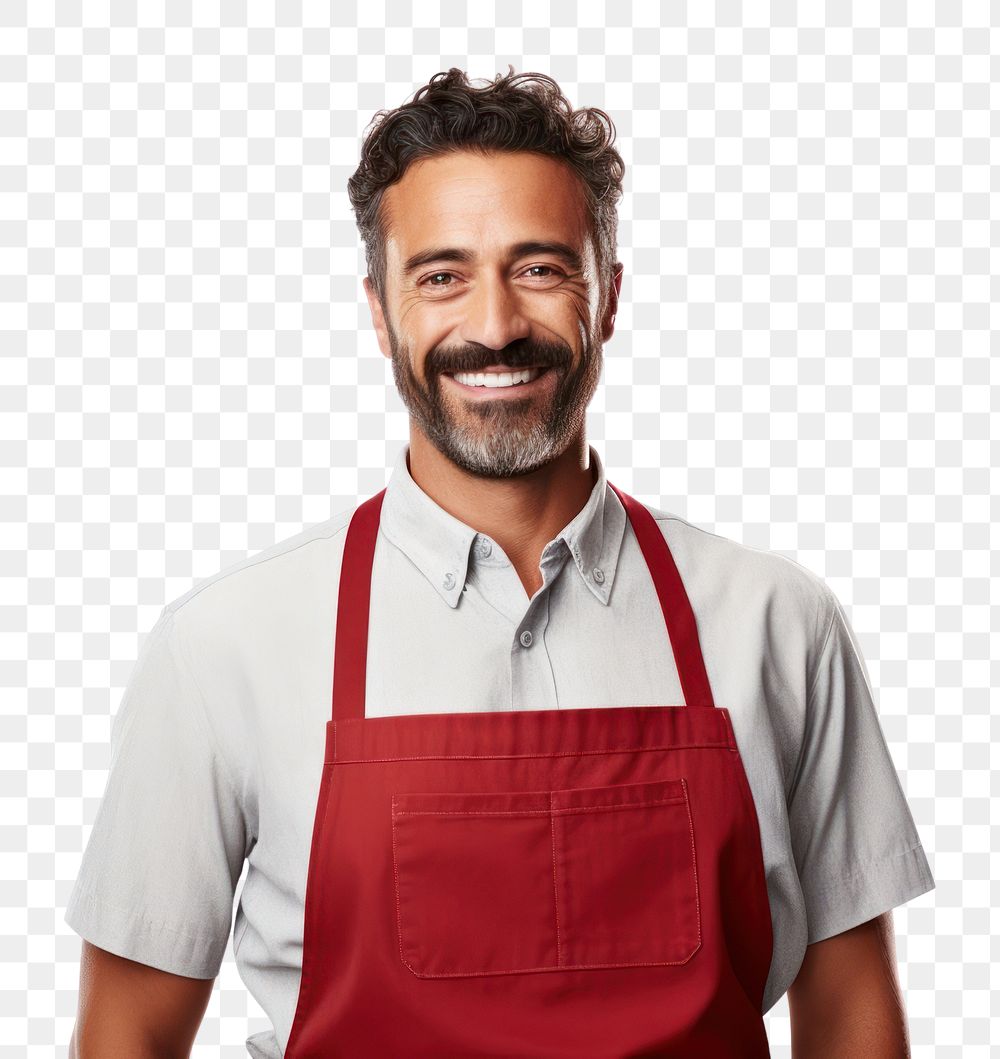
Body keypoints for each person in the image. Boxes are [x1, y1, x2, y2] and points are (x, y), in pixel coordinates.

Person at [66, 67, 935, 1058]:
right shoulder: (225, 644)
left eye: (539, 268)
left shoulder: (777, 621)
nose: (493, 326)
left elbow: (851, 1012)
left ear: (606, 296)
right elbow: (128, 1031)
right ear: (380, 312)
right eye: (441, 275)